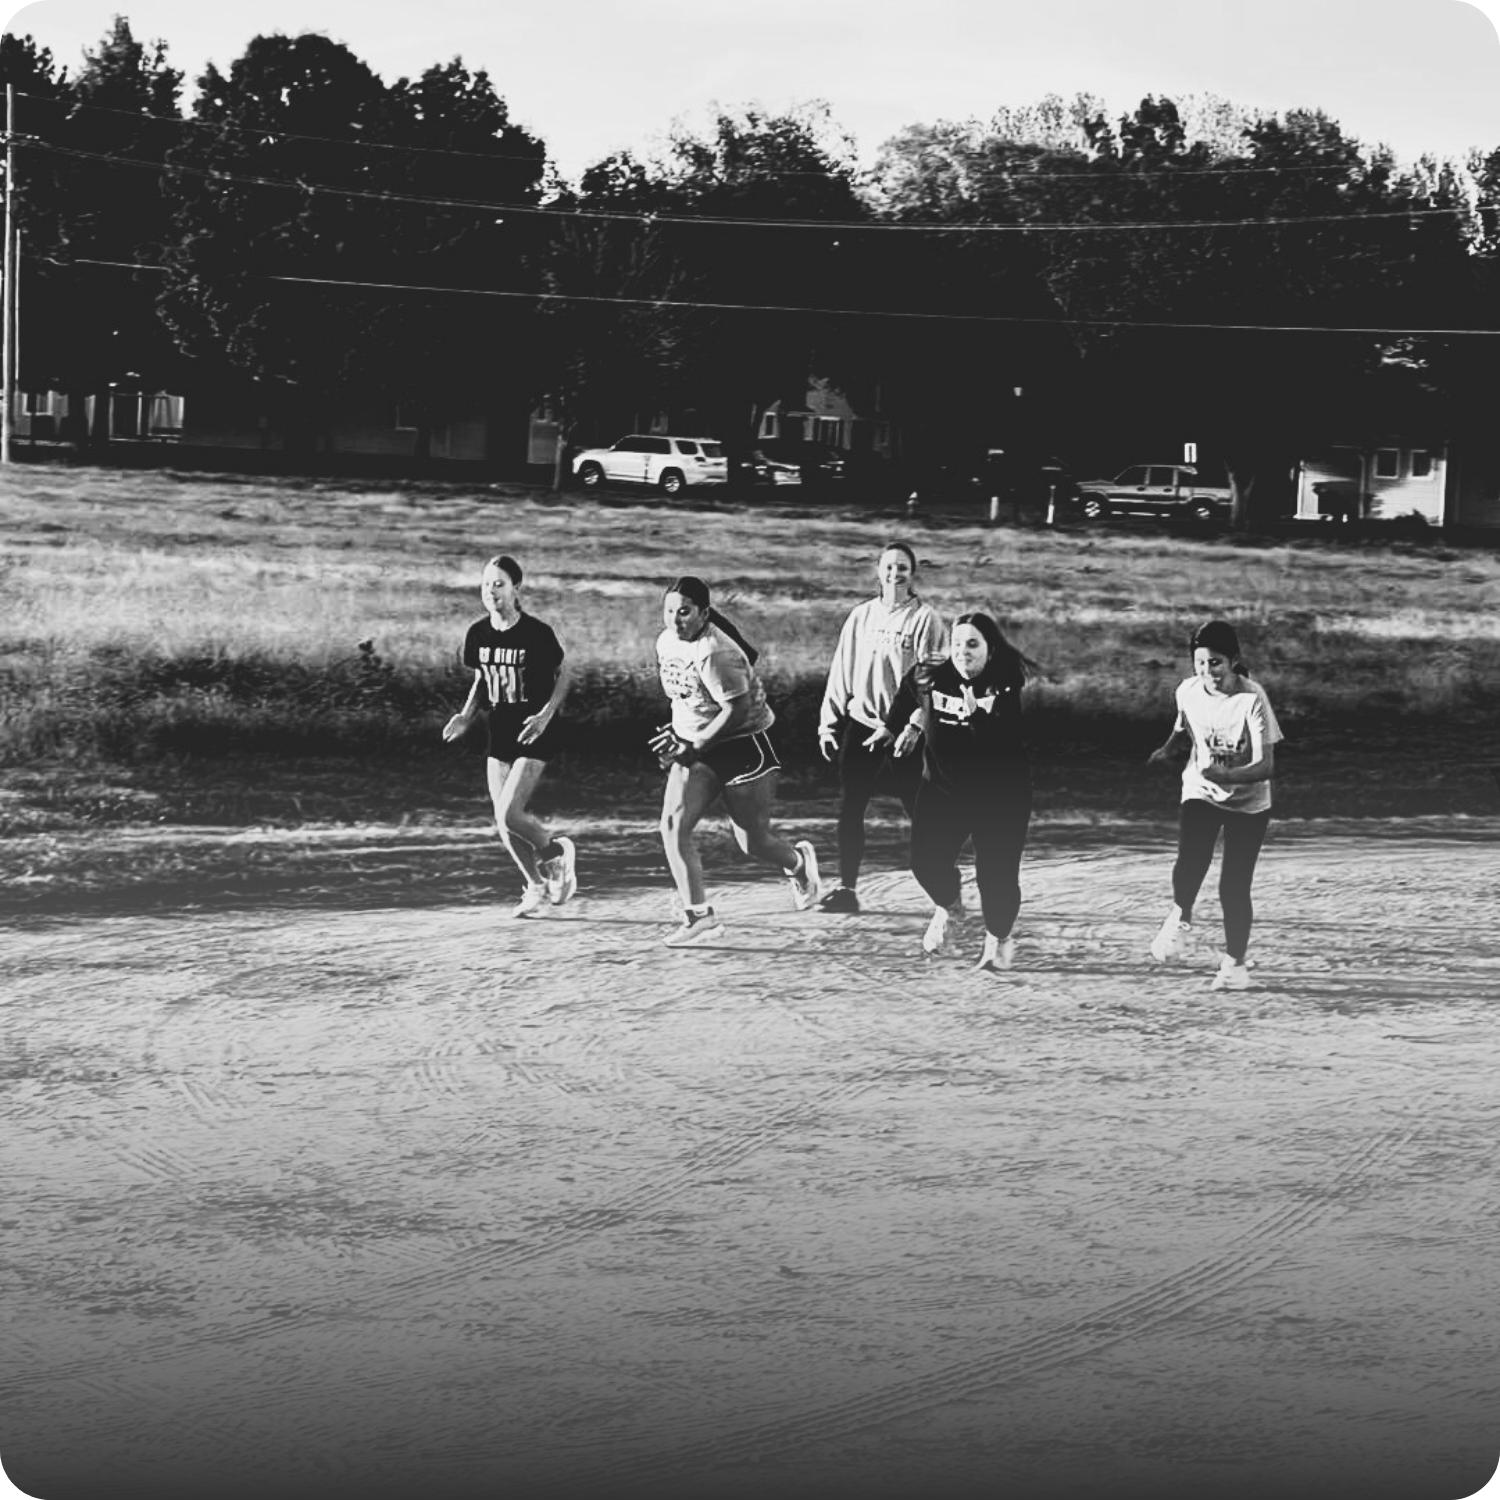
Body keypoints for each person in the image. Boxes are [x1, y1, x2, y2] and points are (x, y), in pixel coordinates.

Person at [651, 575, 822, 947]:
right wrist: (679, 736)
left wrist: (695, 744)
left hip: (744, 745)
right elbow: (685, 697)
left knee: (753, 841)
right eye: (669, 611)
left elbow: (737, 708)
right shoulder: (667, 642)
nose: (675, 620)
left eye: (684, 612)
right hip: (696, 746)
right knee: (672, 826)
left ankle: (798, 864)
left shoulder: (716, 651)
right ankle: (699, 916)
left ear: (703, 613)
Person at [878, 611, 1037, 972]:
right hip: (943, 790)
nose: (963, 651)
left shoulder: (1005, 684)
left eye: (972, 644)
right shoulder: (932, 676)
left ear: (990, 650)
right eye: (957, 644)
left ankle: (999, 938)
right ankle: (950, 906)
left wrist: (976, 715)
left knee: (995, 877)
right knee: (924, 862)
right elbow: (908, 693)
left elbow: (1002, 740)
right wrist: (896, 728)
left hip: (1001, 796)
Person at [1146, 619, 1283, 991]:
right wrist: (1168, 749)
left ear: (1234, 660)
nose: (1209, 672)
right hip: (1201, 790)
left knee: (1233, 887)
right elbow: (1183, 725)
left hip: (1249, 802)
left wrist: (1228, 777)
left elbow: (1267, 765)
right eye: (1201, 663)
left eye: (1217, 663)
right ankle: (1180, 918)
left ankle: (1235, 965)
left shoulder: (1252, 699)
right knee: (1190, 860)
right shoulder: (1188, 690)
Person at [815, 541, 947, 914]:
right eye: (889, 566)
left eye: (902, 567)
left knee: (917, 808)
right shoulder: (861, 616)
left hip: (904, 731)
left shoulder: (925, 619)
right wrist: (828, 723)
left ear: (912, 572)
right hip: (862, 723)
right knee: (852, 805)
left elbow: (933, 680)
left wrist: (915, 727)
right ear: (878, 570)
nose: (895, 573)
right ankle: (847, 890)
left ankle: (944, 890)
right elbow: (842, 669)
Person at [442, 554, 577, 917]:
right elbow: (482, 678)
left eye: (499, 584)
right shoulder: (478, 633)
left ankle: (556, 855)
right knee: (502, 820)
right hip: (499, 726)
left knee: (510, 814)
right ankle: (535, 887)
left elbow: (564, 674)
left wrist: (546, 716)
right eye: (487, 584)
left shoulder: (536, 633)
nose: (491, 591)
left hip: (534, 727)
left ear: (516, 589)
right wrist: (466, 715)